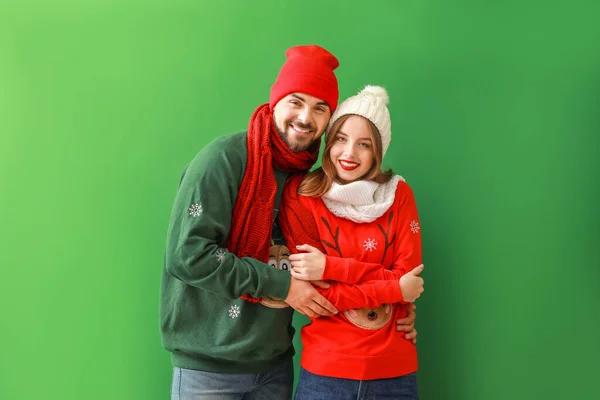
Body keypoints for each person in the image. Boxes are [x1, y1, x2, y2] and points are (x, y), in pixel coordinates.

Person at [160, 45, 418, 400]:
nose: (305, 117)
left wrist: (394, 307)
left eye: (319, 108)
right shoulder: (223, 160)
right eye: (296, 101)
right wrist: (283, 285)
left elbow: (334, 271)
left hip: (275, 365)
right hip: (210, 367)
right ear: (275, 101)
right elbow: (187, 255)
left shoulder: (309, 182)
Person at [279, 85, 424, 399]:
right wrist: (393, 290)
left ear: (378, 151)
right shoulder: (303, 196)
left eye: (364, 144)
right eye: (341, 139)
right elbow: (315, 295)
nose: (349, 154)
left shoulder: (399, 195)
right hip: (325, 372)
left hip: (394, 372)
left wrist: (331, 267)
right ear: (329, 142)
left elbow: (407, 278)